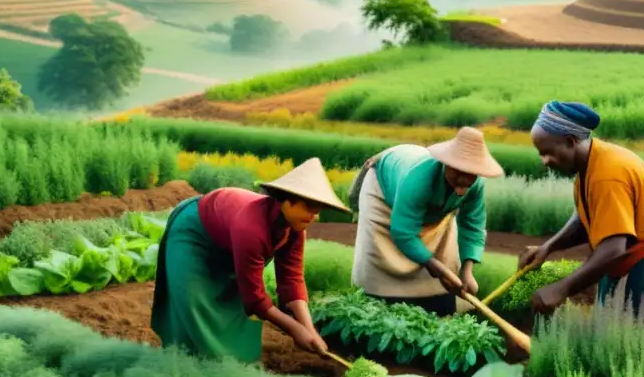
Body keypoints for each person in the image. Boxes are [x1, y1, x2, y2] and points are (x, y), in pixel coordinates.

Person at [519, 100, 644, 335]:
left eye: (547, 153)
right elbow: (587, 218)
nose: (544, 162)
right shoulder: (589, 165)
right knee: (621, 339)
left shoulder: (608, 175)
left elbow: (614, 247)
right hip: (635, 253)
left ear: (570, 142)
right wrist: (548, 247)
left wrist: (561, 289)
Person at [151, 158, 349, 362]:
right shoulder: (251, 228)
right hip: (194, 235)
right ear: (287, 201)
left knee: (232, 305)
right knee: (193, 306)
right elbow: (255, 300)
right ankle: (188, 366)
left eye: (317, 212)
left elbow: (292, 279)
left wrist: (310, 330)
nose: (314, 217)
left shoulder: (295, 228)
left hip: (227, 242)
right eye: (309, 209)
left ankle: (232, 366)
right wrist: (293, 328)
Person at [350, 127, 503, 315]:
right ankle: (374, 312)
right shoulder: (419, 177)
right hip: (384, 192)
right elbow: (403, 233)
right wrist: (437, 269)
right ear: (446, 163)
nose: (464, 178)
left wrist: (467, 270)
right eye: (458, 171)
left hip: (430, 210)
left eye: (470, 173)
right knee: (381, 256)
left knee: (445, 259)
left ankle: (438, 307)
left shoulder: (476, 185)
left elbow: (472, 226)